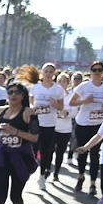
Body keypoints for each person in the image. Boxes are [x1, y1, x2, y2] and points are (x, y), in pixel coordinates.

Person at [70, 61, 103, 196]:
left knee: (95, 154)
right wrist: (84, 101)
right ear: (91, 71)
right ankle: (81, 175)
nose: (97, 72)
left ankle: (93, 183)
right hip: (82, 123)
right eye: (94, 70)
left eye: (100, 70)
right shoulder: (84, 86)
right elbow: (72, 102)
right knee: (82, 152)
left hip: (98, 124)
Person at [30, 63, 66, 191]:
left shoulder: (58, 89)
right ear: (42, 73)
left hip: (50, 124)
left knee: (46, 151)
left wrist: (55, 104)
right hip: (35, 123)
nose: (48, 74)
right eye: (46, 71)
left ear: (54, 74)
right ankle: (30, 169)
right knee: (33, 150)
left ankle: (42, 176)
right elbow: (30, 102)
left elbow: (62, 107)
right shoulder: (35, 88)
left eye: (51, 72)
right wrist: (33, 108)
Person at [50, 72, 76, 183]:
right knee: (49, 150)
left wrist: (67, 113)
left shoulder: (71, 96)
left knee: (60, 152)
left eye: (64, 81)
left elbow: (75, 112)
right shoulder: (52, 94)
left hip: (65, 128)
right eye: (59, 81)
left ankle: (56, 172)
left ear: (68, 83)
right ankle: (46, 170)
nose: (61, 84)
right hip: (52, 126)